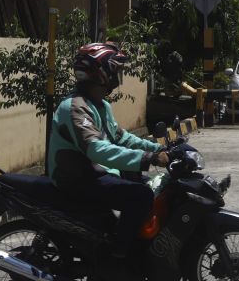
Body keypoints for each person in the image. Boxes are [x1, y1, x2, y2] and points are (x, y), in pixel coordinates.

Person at [47, 42, 169, 259]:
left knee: (149, 185)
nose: (117, 77)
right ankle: (118, 256)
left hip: (95, 173)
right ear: (101, 72)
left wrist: (159, 147)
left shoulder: (100, 105)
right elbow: (97, 149)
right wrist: (148, 158)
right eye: (115, 70)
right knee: (140, 196)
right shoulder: (75, 107)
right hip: (77, 179)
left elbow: (120, 137)